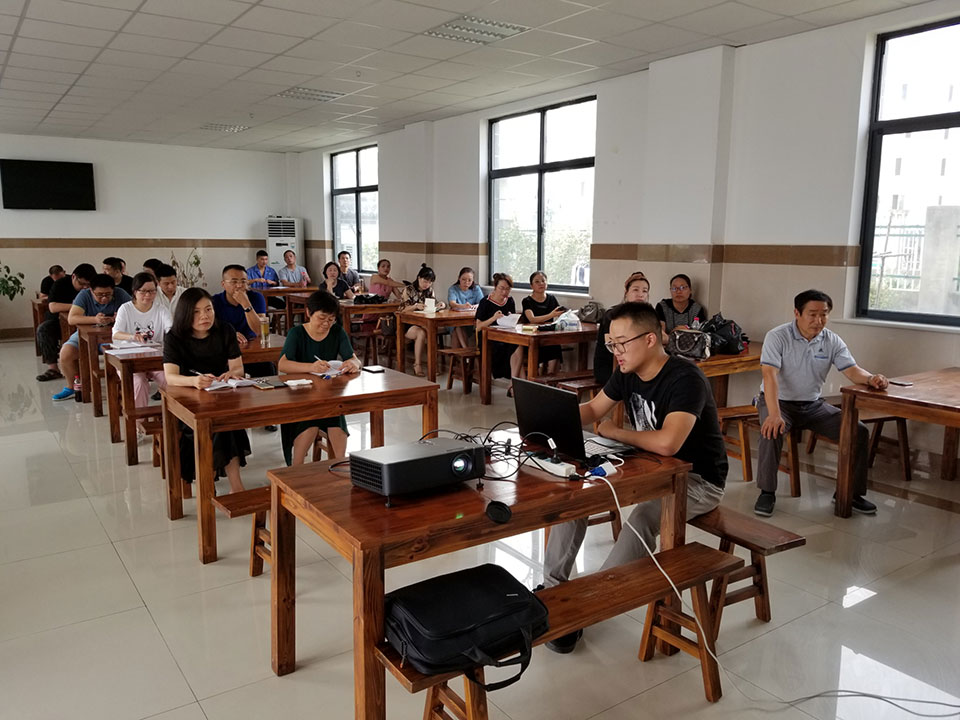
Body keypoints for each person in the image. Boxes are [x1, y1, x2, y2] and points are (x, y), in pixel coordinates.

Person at [542, 301, 727, 654]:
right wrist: (548, 415)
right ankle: (553, 591)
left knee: (642, 519)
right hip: (648, 466)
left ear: (651, 339)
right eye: (611, 344)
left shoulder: (686, 379)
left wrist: (616, 432)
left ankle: (586, 607)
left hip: (697, 480)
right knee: (576, 491)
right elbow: (594, 409)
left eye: (621, 343)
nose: (616, 351)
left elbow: (669, 443)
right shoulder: (627, 372)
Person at [753, 289, 887, 517]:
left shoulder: (831, 340)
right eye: (812, 314)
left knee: (858, 431)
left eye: (824, 314)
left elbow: (852, 370)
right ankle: (767, 492)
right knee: (771, 429)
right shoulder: (777, 336)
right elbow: (769, 375)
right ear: (797, 313)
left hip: (813, 405)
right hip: (779, 402)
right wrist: (774, 414)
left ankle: (849, 493)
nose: (819, 320)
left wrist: (871, 378)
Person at [163, 288, 250, 493]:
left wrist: (231, 374)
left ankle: (231, 486)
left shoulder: (225, 330)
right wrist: (194, 381)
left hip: (220, 394)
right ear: (185, 314)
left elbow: (238, 368)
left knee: (227, 423)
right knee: (216, 425)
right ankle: (214, 485)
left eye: (208, 309)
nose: (205, 316)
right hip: (188, 400)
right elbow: (171, 377)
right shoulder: (174, 337)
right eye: (196, 312)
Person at [277, 290, 361, 465]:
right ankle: (297, 469)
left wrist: (353, 364)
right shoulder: (297, 333)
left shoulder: (337, 332)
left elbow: (353, 358)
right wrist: (311, 367)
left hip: (328, 395)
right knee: (310, 424)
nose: (326, 324)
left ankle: (339, 466)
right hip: (301, 396)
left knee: (337, 423)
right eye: (321, 318)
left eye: (331, 319)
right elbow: (283, 365)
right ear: (308, 312)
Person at [51, 274, 130, 401]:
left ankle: (123, 387)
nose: (104, 298)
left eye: (108, 294)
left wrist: (121, 318)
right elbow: (72, 318)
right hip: (86, 334)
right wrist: (95, 319)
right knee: (65, 354)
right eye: (99, 295)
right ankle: (72, 386)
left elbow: (133, 314)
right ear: (91, 290)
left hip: (114, 335)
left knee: (120, 356)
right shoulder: (84, 295)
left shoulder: (121, 294)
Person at [112, 273, 172, 437]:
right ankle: (138, 425)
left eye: (152, 291)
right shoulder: (126, 309)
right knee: (139, 382)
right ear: (134, 291)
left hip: (154, 358)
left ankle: (172, 418)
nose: (148, 295)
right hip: (129, 359)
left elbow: (171, 329)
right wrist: (133, 336)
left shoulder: (161, 309)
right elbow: (116, 333)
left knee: (169, 379)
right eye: (143, 291)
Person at [211, 265, 274, 384]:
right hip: (225, 350)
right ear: (223, 284)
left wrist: (246, 304)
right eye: (234, 282)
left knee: (267, 368)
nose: (239, 285)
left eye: (243, 281)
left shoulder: (256, 297)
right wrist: (230, 335)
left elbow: (259, 330)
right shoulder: (214, 301)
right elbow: (210, 331)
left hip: (252, 347)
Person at [36, 263, 97, 382]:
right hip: (58, 321)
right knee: (43, 330)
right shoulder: (60, 284)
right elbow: (53, 307)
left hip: (88, 322)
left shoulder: (94, 287)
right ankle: (53, 369)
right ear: (73, 277)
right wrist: (77, 306)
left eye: (88, 285)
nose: (85, 287)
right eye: (82, 284)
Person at [594, 271, 650, 387]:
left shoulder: (647, 316)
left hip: (634, 363)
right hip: (610, 366)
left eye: (644, 291)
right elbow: (613, 347)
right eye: (635, 290)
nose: (640, 294)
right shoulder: (613, 315)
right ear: (626, 293)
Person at [475, 273, 523, 396]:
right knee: (513, 351)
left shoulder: (510, 300)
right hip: (488, 340)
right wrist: (493, 318)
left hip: (506, 336)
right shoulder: (485, 302)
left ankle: (514, 384)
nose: (504, 292)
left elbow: (511, 320)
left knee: (519, 346)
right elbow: (478, 327)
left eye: (507, 289)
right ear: (495, 287)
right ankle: (518, 386)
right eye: (501, 288)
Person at [398, 264, 445, 377]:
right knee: (421, 333)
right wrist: (415, 306)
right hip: (406, 324)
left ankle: (433, 364)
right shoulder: (408, 290)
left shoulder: (429, 290)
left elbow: (432, 306)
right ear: (419, 278)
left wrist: (440, 305)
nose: (426, 284)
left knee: (431, 331)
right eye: (425, 281)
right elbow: (402, 310)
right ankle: (417, 364)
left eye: (430, 282)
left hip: (423, 322)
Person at [521, 271, 565, 375]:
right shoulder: (527, 301)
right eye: (537, 282)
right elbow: (532, 319)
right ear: (531, 285)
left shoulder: (551, 298)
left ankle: (550, 376)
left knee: (555, 344)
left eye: (543, 281)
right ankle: (538, 376)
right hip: (532, 336)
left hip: (548, 334)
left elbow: (559, 314)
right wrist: (551, 315)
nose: (541, 283)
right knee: (540, 346)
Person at [656, 273, 707, 343]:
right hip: (667, 345)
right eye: (674, 288)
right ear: (670, 290)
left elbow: (701, 335)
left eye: (683, 287)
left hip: (690, 346)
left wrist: (685, 331)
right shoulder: (662, 307)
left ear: (690, 290)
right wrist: (675, 333)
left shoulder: (696, 309)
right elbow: (660, 333)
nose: (678, 291)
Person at [447, 266, 484, 348]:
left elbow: (482, 303)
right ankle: (465, 350)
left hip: (470, 320)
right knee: (457, 327)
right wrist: (462, 306)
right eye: (464, 279)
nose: (466, 282)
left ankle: (462, 352)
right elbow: (452, 303)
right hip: (454, 320)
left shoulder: (476, 288)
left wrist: (475, 306)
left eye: (469, 280)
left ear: (473, 280)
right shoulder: (453, 289)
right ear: (459, 278)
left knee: (459, 329)